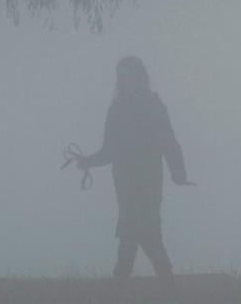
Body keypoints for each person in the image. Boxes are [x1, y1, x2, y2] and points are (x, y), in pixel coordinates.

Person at [77, 56, 194, 301]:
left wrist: (178, 172)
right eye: (122, 77)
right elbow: (109, 150)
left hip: (149, 183)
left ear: (140, 77)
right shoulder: (116, 110)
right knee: (138, 235)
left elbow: (168, 141)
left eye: (129, 76)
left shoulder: (153, 106)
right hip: (125, 185)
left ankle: (126, 290)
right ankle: (163, 290)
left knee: (141, 234)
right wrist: (88, 160)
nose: (125, 81)